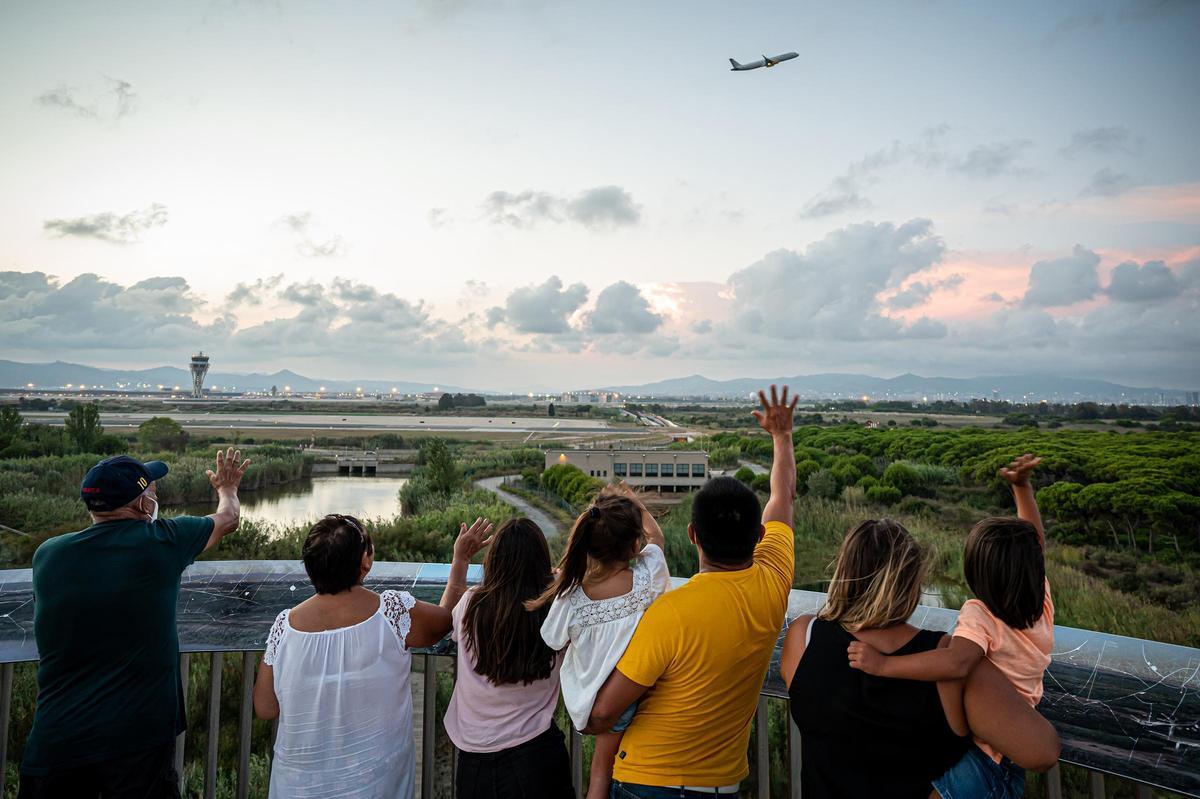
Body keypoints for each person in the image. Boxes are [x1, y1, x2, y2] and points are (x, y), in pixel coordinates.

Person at [587, 385, 798, 798]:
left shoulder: (669, 613)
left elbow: (605, 712)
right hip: (720, 785)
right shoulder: (774, 581)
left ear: (692, 536)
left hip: (645, 781)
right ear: (759, 535)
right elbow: (783, 496)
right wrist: (782, 437)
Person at [20, 448, 250, 799]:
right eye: (152, 491)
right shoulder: (162, 542)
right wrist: (228, 489)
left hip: (56, 741)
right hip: (135, 744)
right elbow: (227, 519)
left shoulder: (49, 553)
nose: (156, 496)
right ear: (143, 506)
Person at [783, 516, 1060, 799]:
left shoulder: (803, 637)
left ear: (844, 569)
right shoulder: (947, 660)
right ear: (910, 583)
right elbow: (1041, 752)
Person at [847, 454, 1054, 798]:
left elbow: (956, 662)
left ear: (976, 575)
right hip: (1012, 752)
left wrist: (884, 665)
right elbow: (1035, 546)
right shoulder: (1041, 604)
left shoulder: (981, 615)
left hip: (980, 755)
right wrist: (1022, 489)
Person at [253, 514, 492, 799]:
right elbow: (446, 622)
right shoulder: (391, 612)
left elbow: (265, 707)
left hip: (298, 787)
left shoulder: (285, 626)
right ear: (364, 562)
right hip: (374, 785)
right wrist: (460, 560)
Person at [527, 483, 671, 799]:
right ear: (635, 545)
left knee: (600, 775)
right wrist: (637, 504)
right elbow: (657, 540)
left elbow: (552, 639)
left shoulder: (572, 595)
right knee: (621, 772)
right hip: (640, 694)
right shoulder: (647, 579)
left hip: (597, 704)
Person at [443, 517, 575, 799]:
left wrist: (460, 560)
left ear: (494, 560)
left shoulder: (471, 605)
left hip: (474, 760)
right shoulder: (555, 608)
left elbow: (444, 619)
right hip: (537, 756)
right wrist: (558, 578)